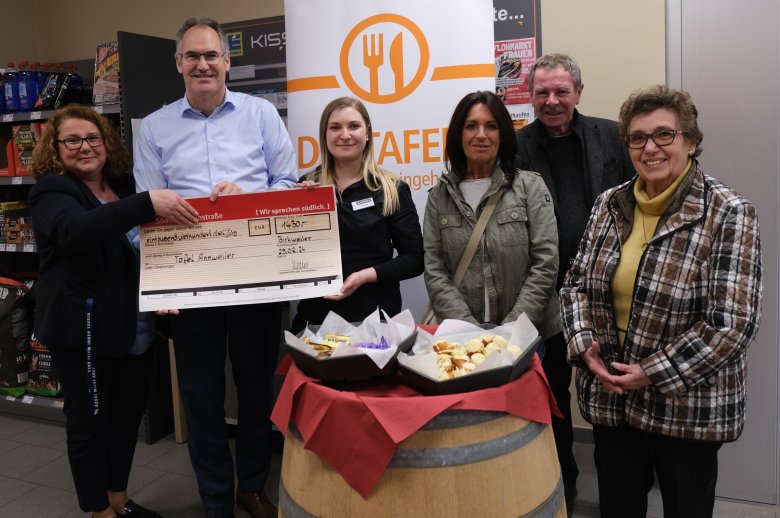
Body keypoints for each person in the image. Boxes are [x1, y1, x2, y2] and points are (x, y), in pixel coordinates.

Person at [560, 85, 763, 518]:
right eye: (637, 137)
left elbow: (732, 323)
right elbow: (574, 284)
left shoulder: (728, 212)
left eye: (664, 135)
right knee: (618, 508)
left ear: (690, 141)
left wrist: (650, 373)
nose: (649, 147)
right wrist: (582, 345)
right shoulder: (608, 204)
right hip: (613, 401)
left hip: (686, 409)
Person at [132, 16, 298, 518]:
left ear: (227, 62)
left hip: (254, 281)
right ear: (178, 63)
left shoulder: (262, 114)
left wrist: (250, 196)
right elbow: (144, 213)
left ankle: (250, 486)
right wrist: (161, 290)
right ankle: (216, 501)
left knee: (254, 392)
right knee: (201, 402)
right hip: (190, 288)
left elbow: (290, 188)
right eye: (192, 56)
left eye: (212, 55)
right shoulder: (155, 127)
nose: (203, 64)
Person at [29, 105, 198, 518]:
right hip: (84, 330)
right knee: (88, 426)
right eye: (72, 140)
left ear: (107, 143)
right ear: (55, 147)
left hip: (134, 325)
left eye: (93, 138)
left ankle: (118, 503)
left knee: (126, 420)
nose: (84, 147)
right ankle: (99, 511)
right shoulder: (53, 191)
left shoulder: (122, 185)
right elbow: (75, 231)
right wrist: (146, 203)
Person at [514, 53, 636, 513]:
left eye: (561, 91)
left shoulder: (612, 137)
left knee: (610, 398)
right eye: (542, 92)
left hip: (607, 298)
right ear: (530, 96)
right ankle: (562, 480)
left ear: (578, 93)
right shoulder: (516, 145)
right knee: (552, 399)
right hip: (544, 297)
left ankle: (620, 494)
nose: (552, 101)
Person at [423, 90, 559, 340]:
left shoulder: (530, 187)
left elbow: (545, 263)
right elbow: (434, 269)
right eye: (471, 126)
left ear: (503, 134)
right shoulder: (439, 196)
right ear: (458, 135)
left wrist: (512, 330)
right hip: (462, 338)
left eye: (491, 126)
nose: (481, 135)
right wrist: (468, 332)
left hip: (524, 333)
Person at [291, 97, 423, 330]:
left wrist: (365, 276)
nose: (345, 134)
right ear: (324, 134)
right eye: (335, 127)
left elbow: (414, 259)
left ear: (368, 132)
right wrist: (297, 213)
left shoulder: (392, 188)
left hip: (375, 318)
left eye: (353, 126)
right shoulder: (307, 186)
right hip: (317, 317)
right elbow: (289, 253)